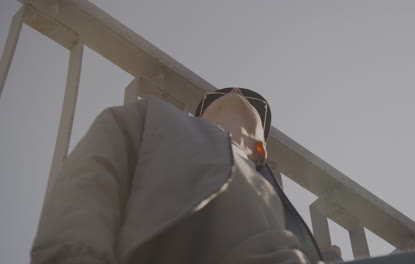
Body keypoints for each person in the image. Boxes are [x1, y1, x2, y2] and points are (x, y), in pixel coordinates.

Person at [30, 87, 341, 264]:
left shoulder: (270, 194)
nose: (234, 91)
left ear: (261, 150)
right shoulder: (151, 118)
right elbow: (87, 188)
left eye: (253, 101)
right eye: (215, 97)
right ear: (196, 117)